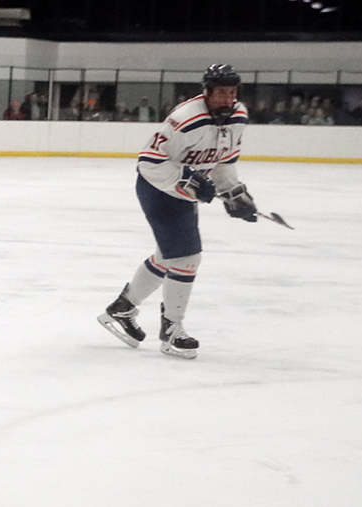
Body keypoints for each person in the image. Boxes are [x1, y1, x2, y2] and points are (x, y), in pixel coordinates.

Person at [97, 64, 255, 361]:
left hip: (183, 193)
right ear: (206, 92)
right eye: (220, 92)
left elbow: (223, 163)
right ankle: (172, 331)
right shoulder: (185, 120)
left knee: (169, 255)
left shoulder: (238, 116)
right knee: (187, 256)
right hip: (158, 189)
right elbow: (149, 163)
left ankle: (122, 309)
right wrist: (189, 180)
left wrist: (235, 194)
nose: (227, 99)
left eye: (232, 93)